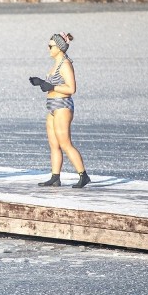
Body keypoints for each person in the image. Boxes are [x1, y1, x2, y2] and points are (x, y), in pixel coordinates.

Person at [29, 32, 90, 188]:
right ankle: (55, 177)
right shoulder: (56, 63)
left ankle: (83, 175)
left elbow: (71, 88)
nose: (48, 48)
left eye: (51, 46)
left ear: (59, 47)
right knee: (54, 144)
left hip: (63, 106)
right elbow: (53, 85)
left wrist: (52, 86)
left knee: (65, 143)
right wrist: (41, 82)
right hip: (52, 106)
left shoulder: (65, 64)